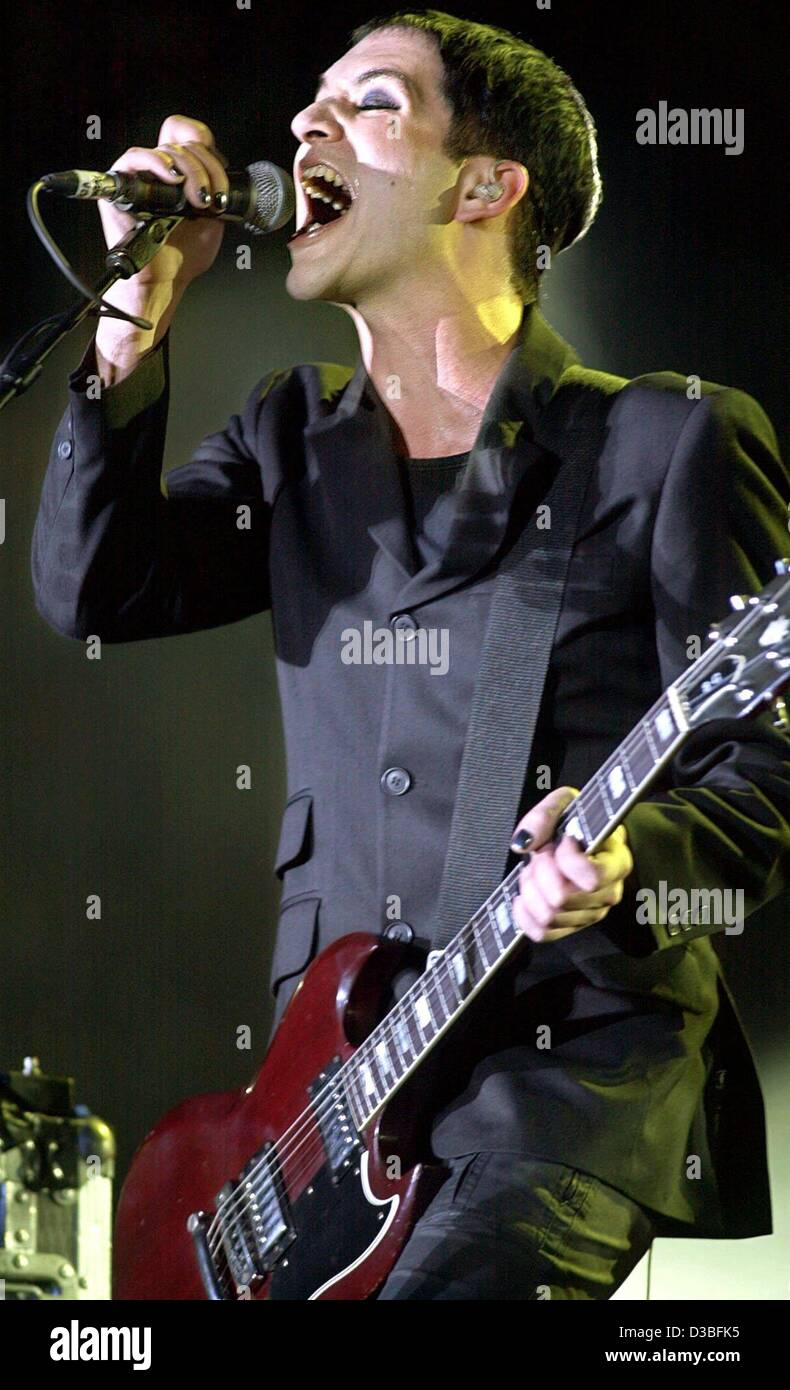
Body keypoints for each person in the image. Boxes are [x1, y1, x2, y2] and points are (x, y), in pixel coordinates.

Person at [31, 11, 789, 1299]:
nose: (303, 127)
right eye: (310, 102)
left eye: (371, 102)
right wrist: (131, 316)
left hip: (557, 1092)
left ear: (487, 187)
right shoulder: (293, 438)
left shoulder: (665, 444)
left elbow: (763, 783)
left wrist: (625, 867)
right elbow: (94, 589)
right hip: (320, 1122)